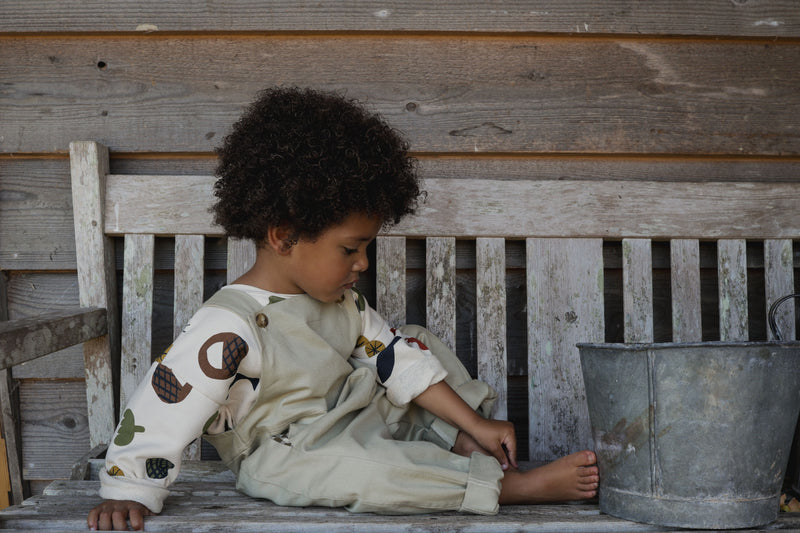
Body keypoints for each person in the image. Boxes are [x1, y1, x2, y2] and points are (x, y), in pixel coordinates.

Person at [87, 87, 599, 531]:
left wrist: (477, 420)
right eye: (350, 249)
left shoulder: (345, 302)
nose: (363, 263)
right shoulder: (231, 325)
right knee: (363, 472)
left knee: (410, 343)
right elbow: (164, 402)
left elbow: (399, 365)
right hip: (291, 454)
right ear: (284, 237)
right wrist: (129, 489)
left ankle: (462, 440)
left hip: (354, 419)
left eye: (366, 249)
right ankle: (509, 490)